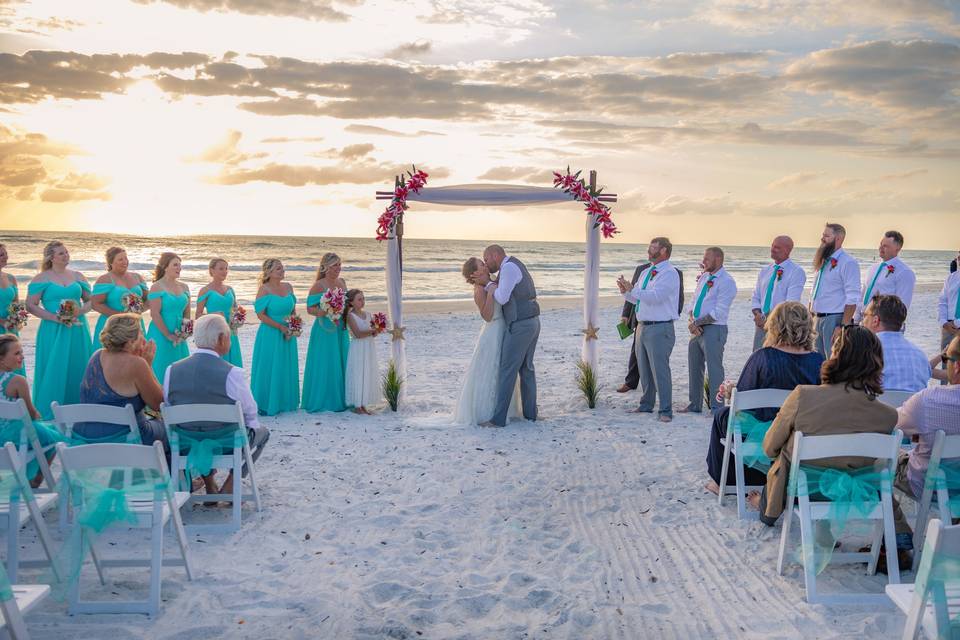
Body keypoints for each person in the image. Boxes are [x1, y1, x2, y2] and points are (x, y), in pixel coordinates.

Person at [749, 326, 913, 566]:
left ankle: (768, 507)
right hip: (854, 491)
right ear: (875, 363)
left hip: (805, 491)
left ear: (835, 355)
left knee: (784, 455)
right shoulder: (887, 416)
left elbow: (768, 448)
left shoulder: (803, 396)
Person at [704, 302, 824, 495]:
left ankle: (723, 483)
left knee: (722, 417)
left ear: (775, 326)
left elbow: (742, 402)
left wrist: (729, 391)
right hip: (801, 432)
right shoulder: (818, 361)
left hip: (766, 431)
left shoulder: (762, 357)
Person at [164, 314, 270, 498]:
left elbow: (168, 404)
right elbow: (251, 413)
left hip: (185, 442)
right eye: (228, 336)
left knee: (200, 429)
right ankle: (232, 482)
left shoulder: (171, 370)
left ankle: (210, 484)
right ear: (221, 339)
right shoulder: (233, 373)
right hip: (226, 442)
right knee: (263, 432)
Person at [472, 244, 540, 427]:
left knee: (507, 370)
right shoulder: (512, 265)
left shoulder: (508, 268)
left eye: (486, 259)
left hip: (521, 325)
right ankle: (530, 415)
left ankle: (498, 419)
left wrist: (488, 285)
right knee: (526, 369)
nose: (486, 263)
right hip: (531, 320)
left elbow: (502, 298)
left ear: (495, 255)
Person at [26, 241, 93, 419]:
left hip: (77, 329)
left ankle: (80, 410)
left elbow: (90, 301)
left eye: (67, 252)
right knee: (53, 366)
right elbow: (31, 305)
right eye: (61, 253)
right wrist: (54, 318)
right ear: (51, 258)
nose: (66, 255)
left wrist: (81, 311)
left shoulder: (78, 276)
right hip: (52, 329)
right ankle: (51, 412)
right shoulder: (42, 278)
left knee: (78, 364)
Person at [77, 313, 167, 446]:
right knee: (171, 429)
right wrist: (148, 365)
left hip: (88, 435)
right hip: (125, 436)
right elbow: (158, 403)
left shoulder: (97, 355)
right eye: (141, 333)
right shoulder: (136, 364)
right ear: (131, 341)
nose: (144, 338)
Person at [617, 237, 680, 422]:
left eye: (653, 248)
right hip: (642, 326)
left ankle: (666, 410)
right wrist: (625, 291)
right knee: (644, 369)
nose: (648, 250)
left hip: (660, 328)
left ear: (663, 251)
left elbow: (656, 297)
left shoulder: (670, 273)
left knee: (660, 370)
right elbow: (637, 299)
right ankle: (646, 404)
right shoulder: (646, 272)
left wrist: (633, 290)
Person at [453, 258, 522, 425]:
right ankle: (486, 412)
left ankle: (506, 409)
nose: (486, 265)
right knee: (491, 369)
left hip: (503, 329)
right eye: (481, 265)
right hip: (493, 331)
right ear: (475, 273)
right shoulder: (479, 289)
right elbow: (487, 316)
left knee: (503, 369)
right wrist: (490, 293)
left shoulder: (491, 281)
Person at [894, 336, 960, 503]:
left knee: (883, 460)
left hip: (928, 486)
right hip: (952, 482)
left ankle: (898, 525)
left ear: (957, 366)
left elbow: (892, 424)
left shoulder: (928, 401)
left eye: (947, 360)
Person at [0, 334, 63, 486]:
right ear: (1, 359)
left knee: (43, 432)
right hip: (15, 436)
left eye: (22, 352)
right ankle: (36, 480)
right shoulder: (17, 381)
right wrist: (36, 414)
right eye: (17, 353)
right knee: (55, 438)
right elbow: (31, 415)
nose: (22, 356)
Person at [682, 247, 737, 414]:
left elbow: (720, 312)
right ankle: (694, 405)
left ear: (718, 259)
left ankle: (717, 408)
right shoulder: (704, 277)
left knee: (714, 369)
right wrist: (692, 321)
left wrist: (697, 323)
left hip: (715, 329)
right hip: (696, 328)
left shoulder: (727, 281)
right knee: (694, 367)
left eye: (707, 258)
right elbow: (693, 301)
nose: (703, 261)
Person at [618, 261, 685, 393]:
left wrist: (674, 313)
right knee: (636, 353)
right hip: (640, 317)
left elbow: (678, 297)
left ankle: (655, 391)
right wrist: (625, 314)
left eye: (654, 248)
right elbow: (633, 293)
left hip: (660, 321)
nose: (650, 251)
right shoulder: (642, 270)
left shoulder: (674, 272)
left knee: (656, 360)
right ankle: (631, 382)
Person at [302, 253, 350, 413]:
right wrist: (327, 311)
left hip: (340, 327)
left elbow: (347, 305)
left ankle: (343, 398)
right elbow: (310, 309)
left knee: (342, 359)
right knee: (325, 361)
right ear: (325, 267)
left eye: (339, 265)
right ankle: (325, 400)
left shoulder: (342, 282)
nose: (338, 268)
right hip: (324, 328)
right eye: (335, 265)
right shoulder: (318, 285)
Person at [251, 258, 299, 415]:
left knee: (286, 364)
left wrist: (293, 326)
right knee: (269, 366)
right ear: (269, 272)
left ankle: (285, 402)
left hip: (288, 333)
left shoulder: (288, 287)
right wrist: (280, 327)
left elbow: (293, 311)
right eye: (279, 268)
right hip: (270, 334)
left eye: (282, 268)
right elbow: (260, 315)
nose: (283, 270)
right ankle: (266, 403)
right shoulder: (264, 289)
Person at [810, 223, 860, 358]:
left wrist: (842, 326)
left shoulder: (848, 262)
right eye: (823, 235)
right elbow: (815, 290)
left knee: (833, 361)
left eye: (826, 236)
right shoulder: (823, 260)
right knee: (817, 362)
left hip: (834, 319)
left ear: (838, 239)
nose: (822, 239)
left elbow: (853, 297)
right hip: (817, 319)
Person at [861, 294, 931, 393]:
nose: (862, 321)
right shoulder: (920, 356)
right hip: (912, 407)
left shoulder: (862, 351)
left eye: (864, 315)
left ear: (875, 320)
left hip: (874, 406)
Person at [749, 236, 806, 352]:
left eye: (777, 247)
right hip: (761, 323)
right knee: (757, 357)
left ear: (787, 250)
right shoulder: (765, 271)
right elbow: (756, 296)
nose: (772, 249)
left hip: (780, 324)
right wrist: (757, 314)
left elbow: (791, 302)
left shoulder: (796, 271)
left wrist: (772, 320)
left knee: (776, 359)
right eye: (772, 246)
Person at [145, 252, 191, 381]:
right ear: (165, 267)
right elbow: (154, 313)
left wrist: (185, 330)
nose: (179, 268)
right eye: (175, 265)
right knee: (160, 367)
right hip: (161, 333)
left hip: (179, 333)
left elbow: (187, 312)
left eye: (180, 265)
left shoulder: (184, 287)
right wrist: (168, 335)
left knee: (179, 368)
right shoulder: (157, 287)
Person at [855, 231, 916, 323]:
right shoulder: (872, 268)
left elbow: (903, 305)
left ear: (897, 249)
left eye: (886, 246)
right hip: (864, 321)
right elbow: (863, 294)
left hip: (885, 323)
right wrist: (856, 317)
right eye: (881, 244)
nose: (880, 248)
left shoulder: (905, 272)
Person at [91, 246, 148, 342]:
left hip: (135, 324)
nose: (125, 261)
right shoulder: (105, 279)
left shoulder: (138, 277)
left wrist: (138, 312)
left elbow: (148, 299)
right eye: (120, 259)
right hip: (112, 326)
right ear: (111, 262)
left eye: (126, 258)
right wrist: (120, 316)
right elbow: (95, 304)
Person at [195, 258, 242, 367]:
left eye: (226, 269)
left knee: (232, 365)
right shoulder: (205, 290)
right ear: (212, 271)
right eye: (221, 268)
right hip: (214, 333)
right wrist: (214, 315)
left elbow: (235, 309)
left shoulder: (230, 289)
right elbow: (198, 315)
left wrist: (238, 318)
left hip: (231, 332)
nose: (225, 271)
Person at [343, 289, 383, 414]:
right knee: (358, 373)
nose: (362, 301)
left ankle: (364, 403)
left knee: (367, 372)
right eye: (359, 299)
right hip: (358, 348)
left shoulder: (368, 314)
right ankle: (357, 404)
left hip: (369, 347)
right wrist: (373, 330)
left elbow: (373, 333)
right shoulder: (350, 316)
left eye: (363, 298)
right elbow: (358, 334)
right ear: (351, 303)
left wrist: (377, 330)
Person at [0, 243, 26, 376]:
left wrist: (18, 317)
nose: (5, 257)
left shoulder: (11, 278)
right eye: (1, 255)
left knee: (15, 361)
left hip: (10, 328)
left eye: (6, 254)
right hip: (2, 325)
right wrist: (2, 321)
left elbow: (15, 303)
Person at [939, 263, 960, 381]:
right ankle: (943, 394)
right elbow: (942, 301)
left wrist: (957, 323)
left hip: (955, 324)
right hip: (948, 328)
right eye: (959, 257)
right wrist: (943, 322)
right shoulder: (951, 278)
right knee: (946, 363)